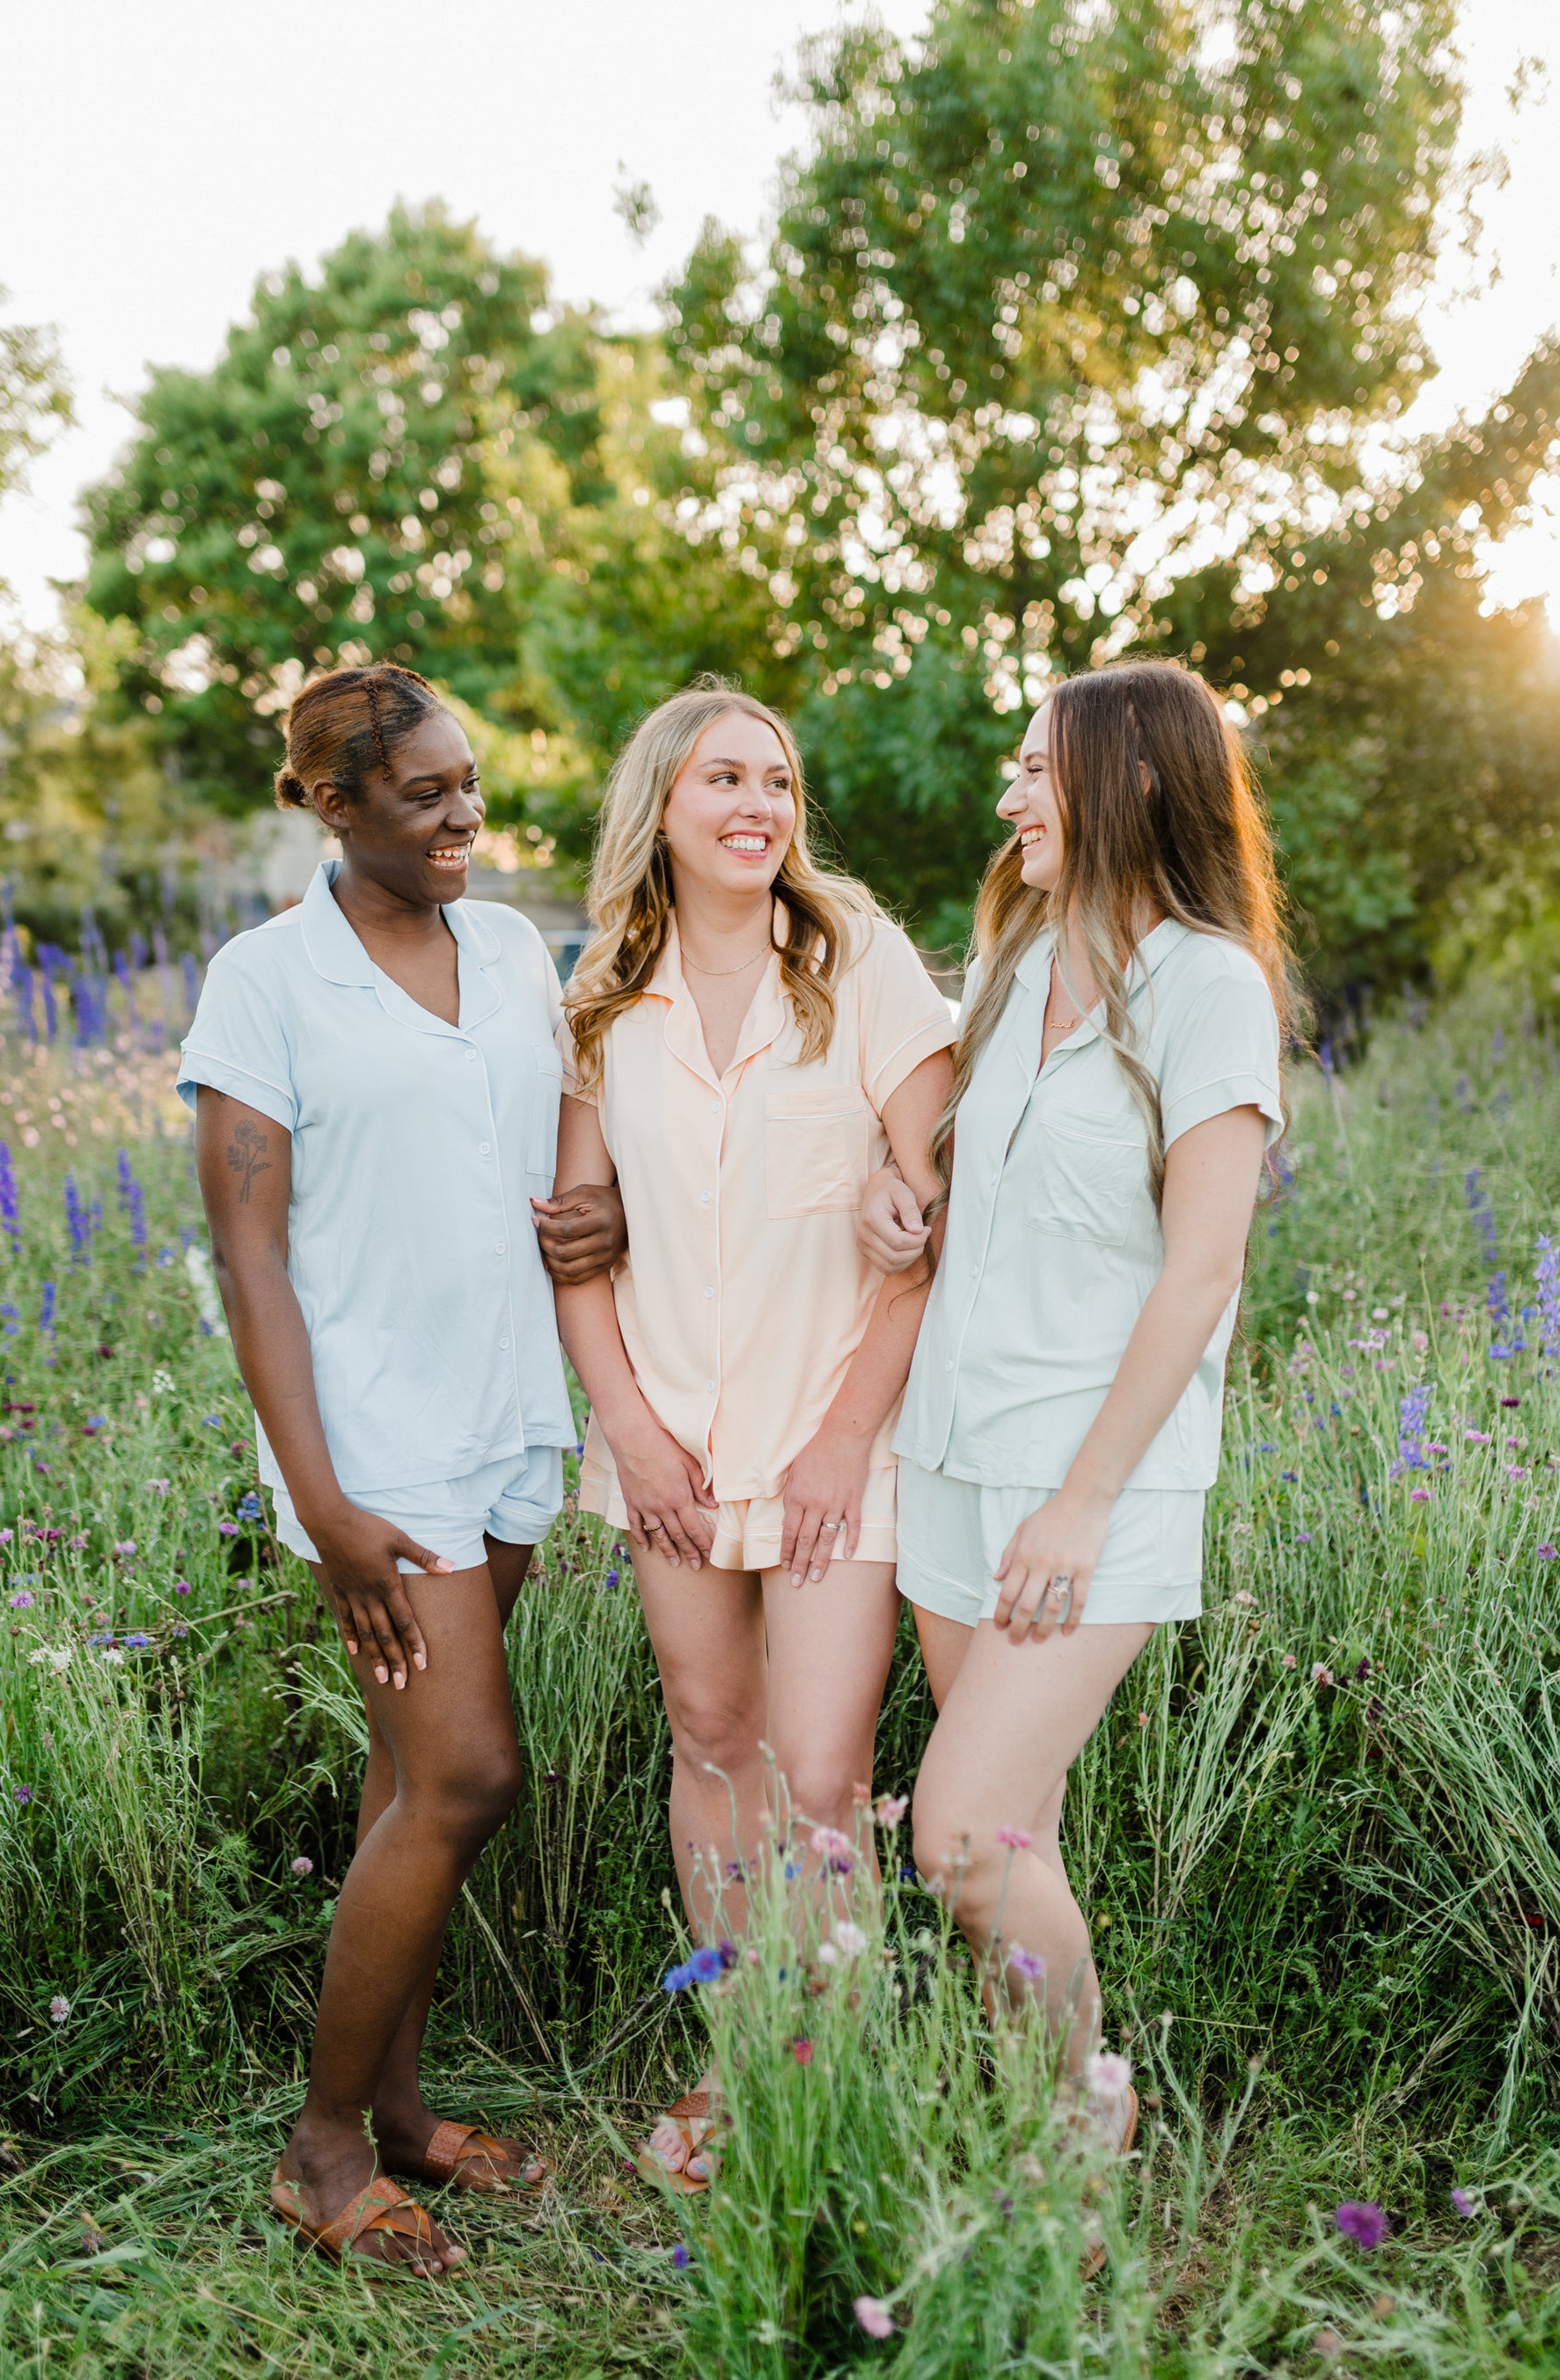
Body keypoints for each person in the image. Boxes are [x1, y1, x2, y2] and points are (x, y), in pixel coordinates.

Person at [179, 663, 626, 2279]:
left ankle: (400, 2108)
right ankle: (316, 2151)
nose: (465, 817)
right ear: (329, 805)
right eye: (425, 793)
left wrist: (607, 1209)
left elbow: (564, 1140)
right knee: (469, 1774)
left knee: (402, 1785)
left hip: (507, 1420)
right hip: (373, 1449)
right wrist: (325, 1504)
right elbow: (251, 1262)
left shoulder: (510, 948)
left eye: (470, 783)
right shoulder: (266, 981)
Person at [859, 660, 1298, 2142]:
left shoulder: (1208, 983)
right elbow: (947, 1164)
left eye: (1037, 771)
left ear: (1137, 781)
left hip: (1090, 1477)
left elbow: (1204, 1268)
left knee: (958, 1834)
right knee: (1011, 1836)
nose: (1009, 797)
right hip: (954, 1454)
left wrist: (1084, 1499)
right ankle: (1025, 2132)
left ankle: (1084, 2126)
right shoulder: (1015, 962)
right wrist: (895, 1190)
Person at [552, 680, 956, 2191]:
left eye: (777, 783)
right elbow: (577, 1241)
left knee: (821, 1766)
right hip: (669, 1434)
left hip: (837, 1433)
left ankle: (826, 2061)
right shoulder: (605, 992)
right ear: (660, 801)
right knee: (710, 1742)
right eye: (724, 778)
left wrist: (849, 1439)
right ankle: (736, 2054)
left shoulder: (857, 962)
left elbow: (934, 1213)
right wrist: (633, 1434)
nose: (758, 808)